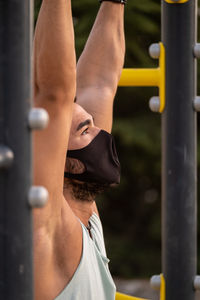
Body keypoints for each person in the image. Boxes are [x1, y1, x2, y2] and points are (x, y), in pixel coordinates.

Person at [33, 0, 125, 299]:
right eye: (86, 130)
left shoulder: (86, 213)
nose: (102, 134)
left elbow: (100, 83)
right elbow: (54, 94)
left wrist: (115, 2)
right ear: (63, 161)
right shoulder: (52, 224)